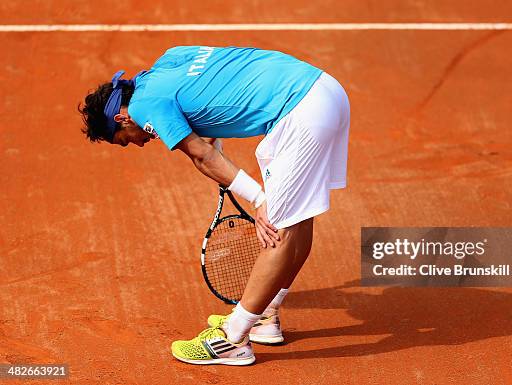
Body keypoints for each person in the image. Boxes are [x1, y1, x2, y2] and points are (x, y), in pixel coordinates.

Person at [79, 45, 349, 366]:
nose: (138, 144)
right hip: (325, 90)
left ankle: (232, 339)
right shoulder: (169, 60)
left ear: (123, 117)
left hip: (299, 113)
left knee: (277, 228)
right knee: (298, 220)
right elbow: (220, 82)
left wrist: (260, 199)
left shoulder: (144, 108)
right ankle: (265, 314)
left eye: (126, 139)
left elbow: (201, 155)